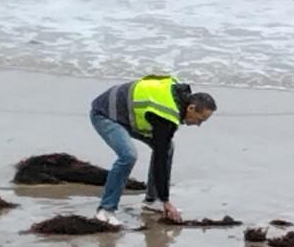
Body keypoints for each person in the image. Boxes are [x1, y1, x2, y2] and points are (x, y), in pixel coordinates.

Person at [89, 74, 216, 226]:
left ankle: (152, 200)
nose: (199, 124)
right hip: (105, 114)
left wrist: (163, 199)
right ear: (191, 108)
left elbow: (162, 149)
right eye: (200, 119)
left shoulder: (178, 100)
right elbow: (159, 159)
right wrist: (166, 201)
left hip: (128, 115)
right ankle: (105, 210)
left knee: (168, 147)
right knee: (128, 156)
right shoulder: (166, 114)